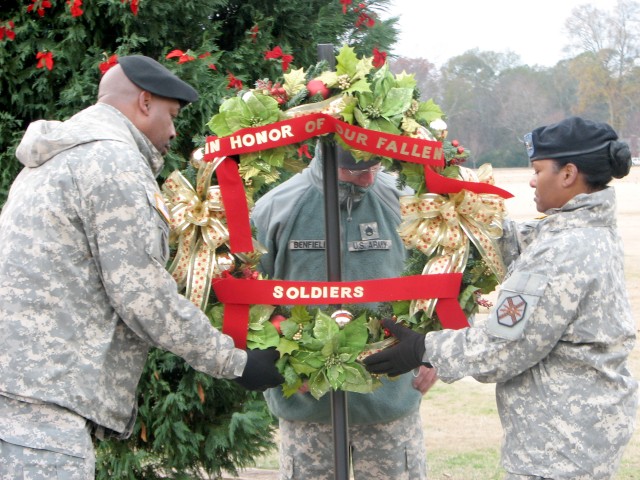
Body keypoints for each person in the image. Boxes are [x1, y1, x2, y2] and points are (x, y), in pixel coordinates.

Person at [0, 55, 283, 479]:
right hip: (42, 410)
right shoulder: (112, 162)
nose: (173, 131)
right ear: (145, 102)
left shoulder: (54, 157)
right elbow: (141, 294)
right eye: (171, 115)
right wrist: (235, 362)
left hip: (18, 392)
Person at [364, 116, 639, 479]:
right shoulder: (579, 231)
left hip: (559, 450)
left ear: (569, 174)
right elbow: (508, 238)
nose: (531, 179)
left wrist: (423, 348)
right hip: (577, 435)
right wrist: (452, 199)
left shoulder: (562, 252)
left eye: (538, 169)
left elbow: (501, 350)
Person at [251, 142, 437, 480]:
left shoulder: (405, 201)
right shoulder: (277, 208)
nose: (366, 179)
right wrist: (285, 363)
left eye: (374, 167)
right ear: (324, 155)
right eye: (354, 170)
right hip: (309, 409)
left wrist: (433, 351)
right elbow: (248, 298)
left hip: (389, 402)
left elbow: (443, 275)